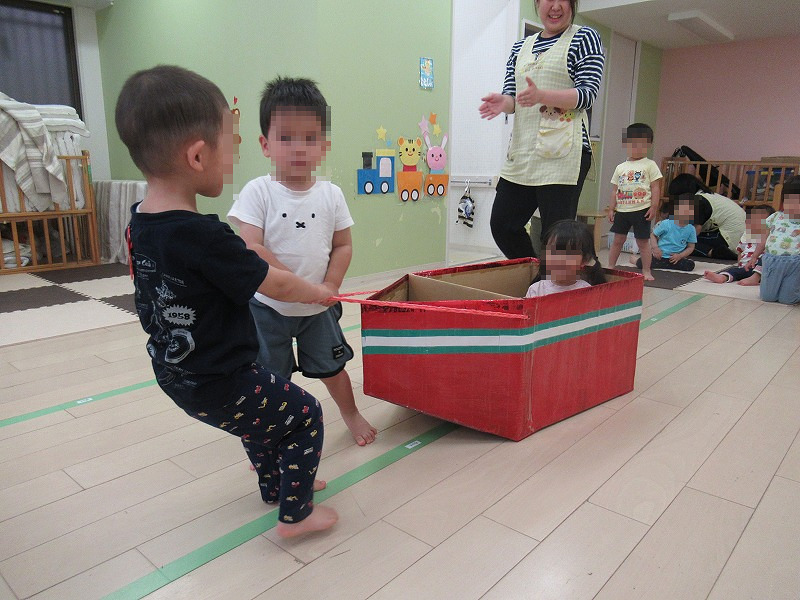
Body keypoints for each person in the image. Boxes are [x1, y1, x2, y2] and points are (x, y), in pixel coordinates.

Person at [117, 66, 338, 538]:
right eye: (230, 143)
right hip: (224, 376)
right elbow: (276, 286)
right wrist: (319, 292)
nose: (233, 153)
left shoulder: (139, 224)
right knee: (304, 416)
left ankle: (276, 484)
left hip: (174, 373)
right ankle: (297, 513)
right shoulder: (207, 238)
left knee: (257, 423)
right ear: (198, 155)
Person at [228, 76, 377, 446]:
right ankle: (266, 435)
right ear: (265, 144)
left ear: (324, 146)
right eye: (286, 137)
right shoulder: (257, 192)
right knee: (269, 378)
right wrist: (299, 287)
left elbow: (342, 246)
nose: (298, 148)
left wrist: (330, 285)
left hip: (318, 308)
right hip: (267, 308)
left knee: (333, 368)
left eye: (310, 138)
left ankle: (351, 413)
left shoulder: (332, 195)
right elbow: (252, 249)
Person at [479, 0, 605, 259]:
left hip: (564, 153)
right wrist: (505, 102)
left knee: (556, 237)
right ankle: (536, 276)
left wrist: (542, 95)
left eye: (562, 0)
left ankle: (552, 281)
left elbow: (587, 95)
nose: (555, 6)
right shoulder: (520, 48)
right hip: (523, 152)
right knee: (502, 224)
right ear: (537, 3)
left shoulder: (584, 38)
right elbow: (514, 97)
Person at [607, 122, 663, 281]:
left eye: (642, 144)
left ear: (649, 145)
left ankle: (646, 270)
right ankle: (610, 267)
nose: (637, 148)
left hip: (641, 210)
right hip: (622, 210)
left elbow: (655, 187)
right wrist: (611, 208)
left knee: (643, 242)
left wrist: (654, 206)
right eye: (633, 143)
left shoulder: (650, 165)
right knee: (618, 240)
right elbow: (614, 190)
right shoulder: (620, 167)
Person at [667, 173, 745, 260]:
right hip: (740, 238)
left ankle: (713, 252)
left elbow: (696, 229)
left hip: (730, 238)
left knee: (683, 244)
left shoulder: (697, 201)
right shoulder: (709, 196)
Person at [750, 176, 800, 304]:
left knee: (788, 300)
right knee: (767, 297)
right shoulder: (775, 217)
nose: (795, 206)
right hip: (772, 261)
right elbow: (764, 239)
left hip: (795, 263)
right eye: (790, 201)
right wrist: (755, 255)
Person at [526, 219, 606, 297]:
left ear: (584, 260)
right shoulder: (536, 290)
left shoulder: (587, 292)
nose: (559, 259)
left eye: (568, 254)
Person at [703, 204, 773, 286]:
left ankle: (724, 277)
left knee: (742, 271)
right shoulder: (746, 237)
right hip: (745, 267)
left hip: (759, 269)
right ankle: (723, 276)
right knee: (735, 270)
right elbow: (740, 251)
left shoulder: (770, 239)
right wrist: (740, 264)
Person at [633, 194, 696, 272]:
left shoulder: (691, 229)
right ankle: (634, 260)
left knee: (690, 265)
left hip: (676, 258)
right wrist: (655, 248)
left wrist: (680, 256)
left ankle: (668, 264)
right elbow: (653, 235)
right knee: (642, 263)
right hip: (660, 256)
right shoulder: (666, 223)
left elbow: (691, 247)